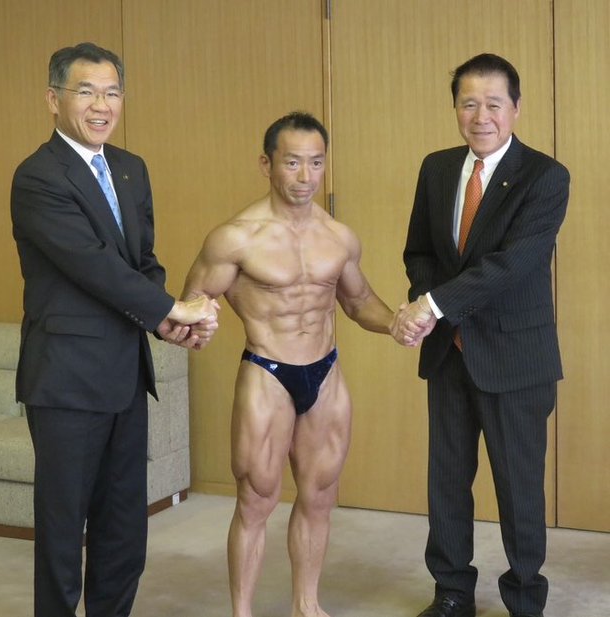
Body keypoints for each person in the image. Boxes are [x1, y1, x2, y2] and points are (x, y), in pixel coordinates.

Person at [10, 42, 218, 617]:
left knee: (124, 529)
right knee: (62, 533)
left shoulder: (130, 168)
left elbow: (140, 261)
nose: (101, 105)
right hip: (67, 381)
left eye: (112, 92)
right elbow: (93, 265)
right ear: (53, 99)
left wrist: (170, 325)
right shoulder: (38, 176)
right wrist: (173, 308)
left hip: (125, 375)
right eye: (86, 92)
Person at [181, 111, 398, 617]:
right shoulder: (235, 237)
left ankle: (306, 604)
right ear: (267, 164)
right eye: (293, 163)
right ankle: (241, 612)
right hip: (268, 372)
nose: (305, 176)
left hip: (325, 372)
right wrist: (194, 324)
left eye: (316, 163)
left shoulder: (339, 237)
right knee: (256, 498)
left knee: (320, 495)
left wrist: (396, 322)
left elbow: (358, 301)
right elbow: (192, 303)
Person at [397, 54, 570, 617]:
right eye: (468, 103)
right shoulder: (437, 168)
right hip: (448, 353)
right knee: (447, 481)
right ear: (455, 108)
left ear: (515, 108)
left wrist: (430, 305)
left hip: (515, 357)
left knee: (519, 487)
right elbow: (420, 251)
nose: (481, 116)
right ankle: (452, 592)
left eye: (494, 104)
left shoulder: (546, 176)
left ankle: (524, 599)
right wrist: (429, 306)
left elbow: (513, 264)